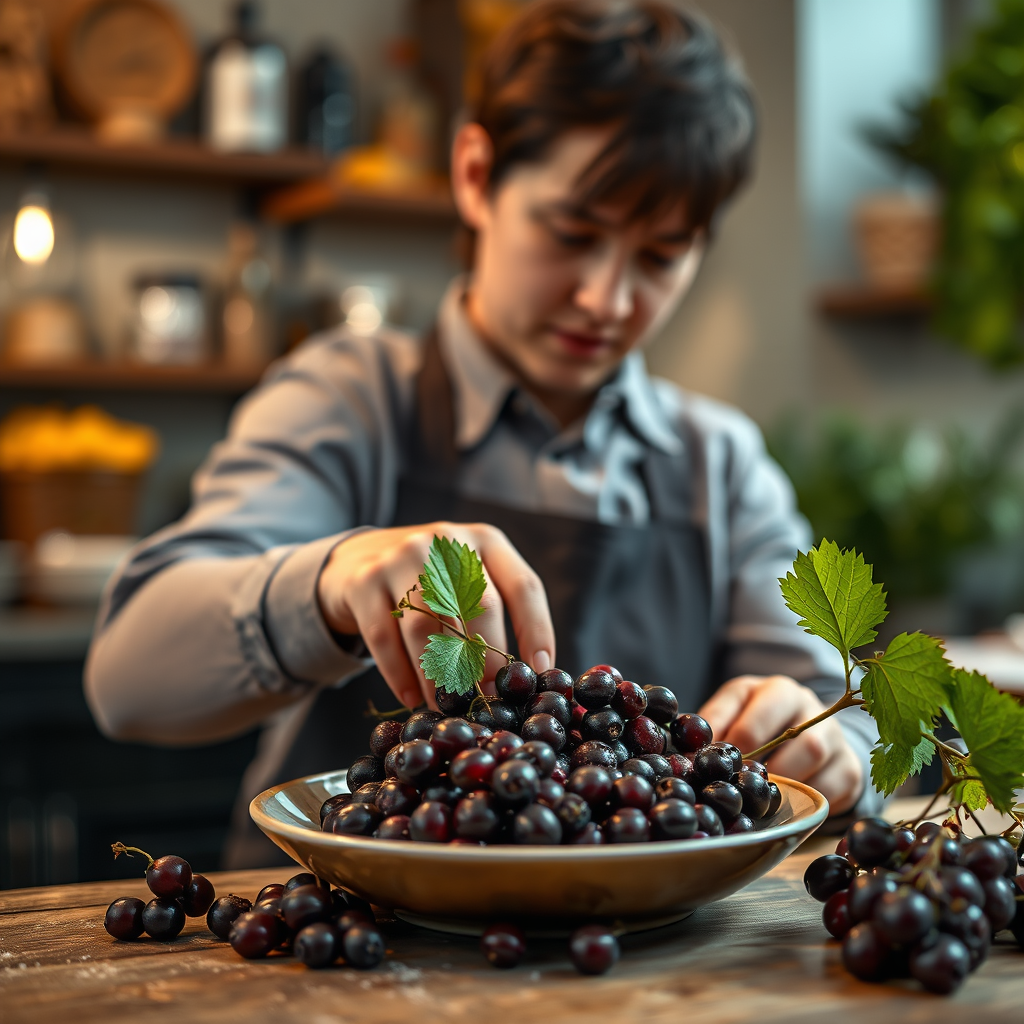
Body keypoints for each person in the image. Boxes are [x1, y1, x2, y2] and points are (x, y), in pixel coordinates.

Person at [85, 0, 880, 866]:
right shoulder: (348, 397)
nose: (607, 301)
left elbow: (822, 703)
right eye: (573, 233)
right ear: (474, 174)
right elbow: (128, 680)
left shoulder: (720, 466)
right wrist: (332, 580)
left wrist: (831, 744)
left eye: (659, 256)